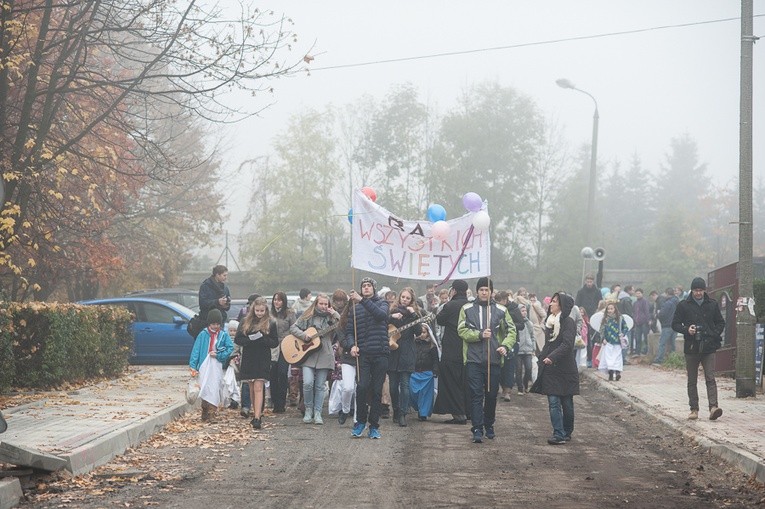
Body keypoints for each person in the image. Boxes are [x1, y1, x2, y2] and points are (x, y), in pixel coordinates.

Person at [458, 277, 516, 443]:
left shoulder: (501, 310)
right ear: (477, 291)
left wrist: (505, 346)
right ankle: (477, 428)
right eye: (481, 289)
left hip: (494, 360)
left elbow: (511, 331)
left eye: (487, 290)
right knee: (476, 395)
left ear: (492, 292)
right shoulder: (467, 308)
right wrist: (478, 335)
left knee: (491, 395)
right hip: (473, 359)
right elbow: (461, 330)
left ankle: (489, 424)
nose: (484, 292)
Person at [671, 277, 725, 421]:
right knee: (692, 380)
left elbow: (720, 322)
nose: (698, 293)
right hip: (691, 347)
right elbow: (675, 324)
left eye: (701, 290)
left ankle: (713, 407)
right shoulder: (683, 305)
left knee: (710, 377)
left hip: (708, 347)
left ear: (704, 290)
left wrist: (713, 334)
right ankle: (694, 409)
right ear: (692, 290)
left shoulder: (712, 304)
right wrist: (687, 329)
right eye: (696, 290)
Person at [343, 277, 390, 439]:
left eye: (369, 286)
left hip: (381, 353)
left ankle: (374, 426)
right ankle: (360, 422)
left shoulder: (383, 303)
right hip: (363, 354)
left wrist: (362, 300)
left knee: (377, 391)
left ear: (374, 289)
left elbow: (380, 316)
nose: (366, 288)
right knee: (362, 387)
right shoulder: (355, 309)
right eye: (364, 286)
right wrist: (351, 345)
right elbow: (349, 332)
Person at [531, 292, 580, 445]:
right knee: (553, 401)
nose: (550, 304)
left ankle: (566, 431)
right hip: (550, 368)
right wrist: (542, 358)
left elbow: (567, 345)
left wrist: (552, 357)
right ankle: (558, 433)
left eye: (554, 301)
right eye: (551, 301)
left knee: (567, 403)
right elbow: (549, 343)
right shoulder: (549, 322)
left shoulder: (568, 322)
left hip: (565, 368)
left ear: (561, 305)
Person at [290, 293, 342, 425]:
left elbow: (343, 325)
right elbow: (293, 328)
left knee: (320, 385)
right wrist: (304, 336)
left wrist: (334, 313)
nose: (324, 306)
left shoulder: (332, 318)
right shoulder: (308, 315)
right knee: (307, 383)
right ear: (316, 304)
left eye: (326, 304)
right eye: (321, 304)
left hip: (325, 353)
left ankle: (318, 412)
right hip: (309, 354)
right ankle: (308, 409)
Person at [235, 297, 279, 430]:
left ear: (266, 310)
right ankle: (256, 411)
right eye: (257, 310)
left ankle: (257, 417)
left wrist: (263, 338)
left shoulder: (271, 322)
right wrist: (249, 339)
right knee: (252, 386)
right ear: (253, 309)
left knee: (259, 386)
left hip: (262, 357)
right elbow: (238, 338)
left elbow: (275, 342)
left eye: (262, 311)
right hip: (249, 357)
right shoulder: (245, 321)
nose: (259, 313)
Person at [433, 280, 469, 425]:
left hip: (452, 350)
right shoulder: (470, 305)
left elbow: (440, 320)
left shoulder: (450, 305)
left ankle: (458, 414)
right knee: (465, 382)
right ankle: (469, 411)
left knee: (451, 382)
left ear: (453, 291)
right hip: (468, 350)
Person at [388, 287, 425, 427]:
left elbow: (418, 332)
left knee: (404, 386)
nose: (404, 299)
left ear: (411, 300)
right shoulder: (392, 311)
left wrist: (414, 315)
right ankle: (396, 410)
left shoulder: (414, 315)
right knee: (392, 387)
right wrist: (391, 317)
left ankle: (403, 413)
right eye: (403, 297)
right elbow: (383, 326)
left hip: (407, 353)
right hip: (393, 353)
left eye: (407, 298)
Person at [189, 309, 234, 423]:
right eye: (213, 324)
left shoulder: (223, 335)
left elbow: (230, 348)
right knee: (204, 387)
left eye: (218, 324)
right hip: (204, 364)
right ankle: (205, 408)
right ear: (209, 323)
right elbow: (196, 350)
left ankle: (212, 412)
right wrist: (193, 366)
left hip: (216, 364)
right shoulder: (203, 334)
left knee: (214, 387)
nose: (215, 326)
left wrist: (219, 355)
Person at [330, 290, 355, 425]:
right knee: (347, 387)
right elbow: (341, 333)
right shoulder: (343, 318)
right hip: (345, 353)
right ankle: (344, 409)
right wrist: (350, 346)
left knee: (361, 388)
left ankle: (358, 417)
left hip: (363, 354)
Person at [270, 292, 296, 413]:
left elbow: (294, 328)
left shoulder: (290, 313)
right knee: (273, 374)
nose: (277, 302)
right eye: (275, 300)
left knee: (282, 372)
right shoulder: (270, 314)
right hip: (273, 347)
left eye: (279, 300)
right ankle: (275, 402)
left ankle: (281, 401)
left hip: (286, 346)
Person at [410, 324, 440, 421]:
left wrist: (435, 371)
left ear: (428, 333)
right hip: (414, 373)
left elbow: (436, 360)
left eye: (424, 332)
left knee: (425, 395)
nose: (422, 334)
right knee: (412, 392)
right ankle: (417, 407)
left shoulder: (432, 346)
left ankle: (423, 413)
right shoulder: (413, 344)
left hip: (427, 374)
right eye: (420, 332)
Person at [597, 302, 629, 381]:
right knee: (609, 358)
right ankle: (611, 373)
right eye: (608, 309)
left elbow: (625, 327)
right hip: (608, 342)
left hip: (617, 342)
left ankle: (617, 373)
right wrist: (603, 338)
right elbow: (601, 330)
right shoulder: (605, 319)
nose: (610, 310)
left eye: (612, 309)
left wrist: (622, 334)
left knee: (617, 358)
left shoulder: (620, 318)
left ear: (615, 309)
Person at [653, 287, 680, 364]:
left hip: (667, 326)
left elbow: (662, 314)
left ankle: (659, 360)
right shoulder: (678, 302)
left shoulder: (668, 303)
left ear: (667, 294)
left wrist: (657, 315)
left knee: (662, 343)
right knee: (672, 343)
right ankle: (673, 359)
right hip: (675, 325)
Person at [515, 304, 536, 394]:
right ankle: (520, 388)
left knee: (528, 368)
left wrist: (533, 348)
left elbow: (532, 336)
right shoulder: (515, 323)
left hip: (528, 350)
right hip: (518, 350)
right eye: (522, 311)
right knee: (518, 369)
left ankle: (525, 383)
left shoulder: (529, 323)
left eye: (525, 311)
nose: (524, 313)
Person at [631, 289, 651, 356]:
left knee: (646, 338)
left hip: (644, 322)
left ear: (642, 294)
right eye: (636, 293)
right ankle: (637, 352)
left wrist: (648, 320)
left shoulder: (645, 301)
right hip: (637, 323)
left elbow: (646, 311)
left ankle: (647, 351)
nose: (638, 295)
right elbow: (634, 312)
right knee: (637, 338)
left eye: (639, 293)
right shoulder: (635, 303)